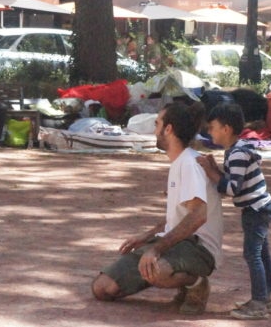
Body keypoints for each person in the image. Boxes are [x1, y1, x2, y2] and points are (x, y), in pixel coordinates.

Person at [91, 102, 224, 316]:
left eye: (157, 124)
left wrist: (156, 248)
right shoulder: (179, 162)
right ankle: (177, 277)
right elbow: (179, 215)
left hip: (199, 249)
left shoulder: (189, 164)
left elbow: (198, 216)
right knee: (102, 288)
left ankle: (196, 283)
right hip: (178, 243)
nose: (154, 130)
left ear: (168, 129)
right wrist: (147, 236)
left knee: (156, 269)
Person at [197, 103, 271, 320]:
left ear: (226, 129)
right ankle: (265, 299)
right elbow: (232, 181)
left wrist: (210, 171)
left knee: (253, 254)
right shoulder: (236, 151)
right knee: (261, 254)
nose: (209, 131)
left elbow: (232, 189)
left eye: (212, 127)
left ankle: (259, 303)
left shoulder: (237, 154)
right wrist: (215, 170)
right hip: (258, 208)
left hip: (255, 209)